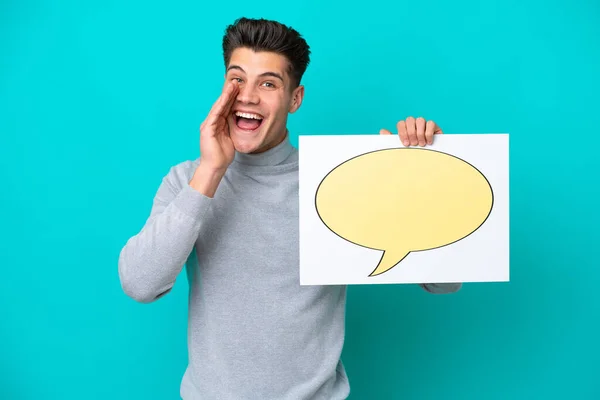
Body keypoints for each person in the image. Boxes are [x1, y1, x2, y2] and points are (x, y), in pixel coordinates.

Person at [118, 16, 461, 400]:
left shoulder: (337, 181)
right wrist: (212, 170)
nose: (247, 95)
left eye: (268, 83)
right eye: (237, 79)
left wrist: (425, 179)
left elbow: (444, 282)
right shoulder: (188, 181)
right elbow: (140, 283)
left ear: (295, 98)